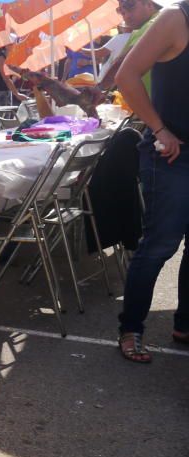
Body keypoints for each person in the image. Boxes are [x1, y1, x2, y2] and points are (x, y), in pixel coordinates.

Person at [114, 1, 189, 363]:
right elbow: (125, 76)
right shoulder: (176, 18)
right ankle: (131, 328)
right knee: (160, 245)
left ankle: (184, 325)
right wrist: (160, 129)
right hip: (170, 155)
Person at [99, 0, 163, 90]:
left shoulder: (156, 23)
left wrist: (99, 89)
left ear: (149, 4)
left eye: (130, 6)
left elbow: (123, 62)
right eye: (121, 11)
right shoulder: (138, 30)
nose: (126, 16)